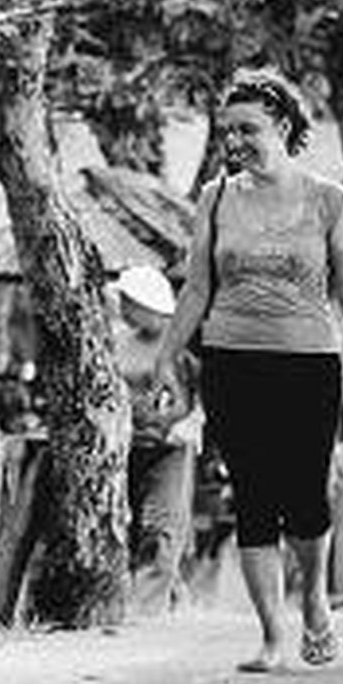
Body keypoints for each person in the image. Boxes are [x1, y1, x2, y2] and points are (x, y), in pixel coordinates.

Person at [153, 67, 343, 672]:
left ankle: (313, 595)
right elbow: (196, 289)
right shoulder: (214, 198)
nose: (234, 142)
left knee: (306, 498)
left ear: (283, 126)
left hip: (310, 363)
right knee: (253, 498)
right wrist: (163, 357)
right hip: (230, 362)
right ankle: (270, 636)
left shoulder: (329, 200)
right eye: (227, 130)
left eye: (248, 129)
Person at [112, 264, 203, 616]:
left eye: (126, 300)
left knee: (161, 525)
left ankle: (144, 617)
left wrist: (195, 420)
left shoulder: (185, 341)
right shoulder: (116, 340)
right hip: (126, 447)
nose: (120, 306)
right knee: (128, 527)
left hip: (170, 449)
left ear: (143, 303)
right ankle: (175, 602)